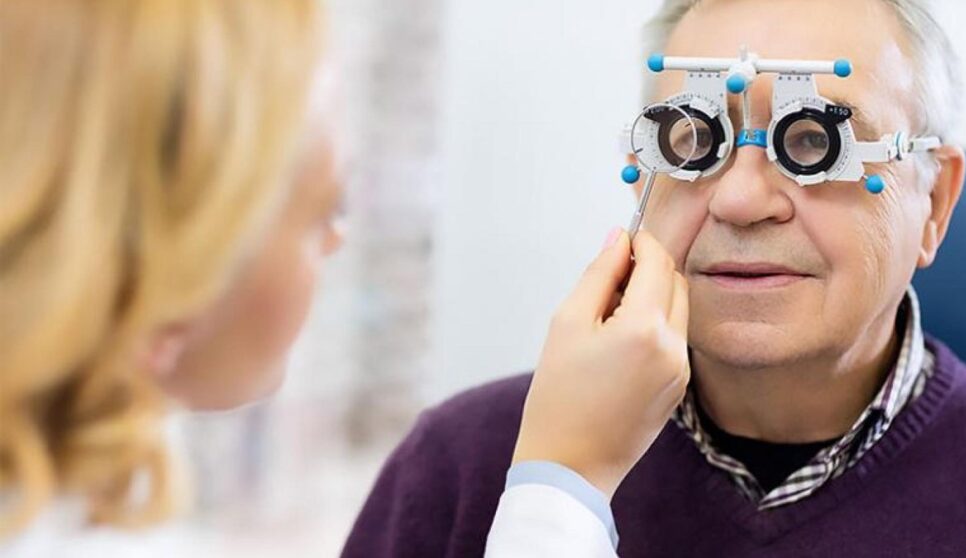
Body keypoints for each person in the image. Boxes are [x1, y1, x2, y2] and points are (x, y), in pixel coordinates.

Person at [0, 1, 690, 555]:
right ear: (182, 244)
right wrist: (561, 487)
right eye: (322, 209)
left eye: (805, 141)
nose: (336, 240)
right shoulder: (457, 454)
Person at [343, 0, 966, 556]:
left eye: (810, 143)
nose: (738, 201)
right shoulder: (461, 468)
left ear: (934, 204)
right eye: (690, 139)